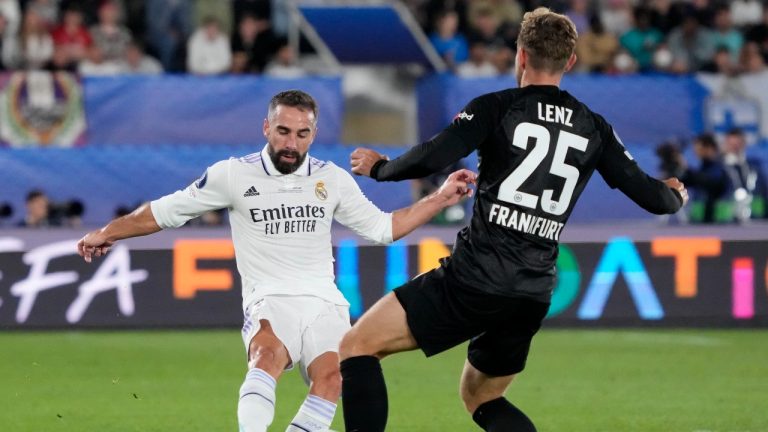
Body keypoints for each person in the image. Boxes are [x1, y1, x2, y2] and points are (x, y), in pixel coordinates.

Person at [340, 8, 688, 432]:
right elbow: (653, 197)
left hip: (475, 278)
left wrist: (381, 167)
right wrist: (674, 193)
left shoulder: (497, 108)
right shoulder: (594, 127)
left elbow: (434, 155)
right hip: (532, 292)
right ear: (570, 62)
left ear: (520, 56)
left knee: (357, 346)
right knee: (482, 396)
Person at [76, 90, 475, 432]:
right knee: (265, 357)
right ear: (266, 128)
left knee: (333, 378)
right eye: (283, 131)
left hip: (324, 302)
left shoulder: (331, 179)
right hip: (269, 298)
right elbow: (162, 213)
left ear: (314, 135)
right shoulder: (233, 175)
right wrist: (106, 233)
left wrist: (440, 198)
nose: (291, 142)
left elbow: (384, 228)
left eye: (302, 134)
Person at [680, 133, 729, 223]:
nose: (696, 152)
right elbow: (687, 182)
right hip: (701, 223)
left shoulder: (721, 168)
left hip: (720, 224)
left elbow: (711, 183)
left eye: (699, 148)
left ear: (709, 148)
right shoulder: (703, 168)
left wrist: (687, 169)